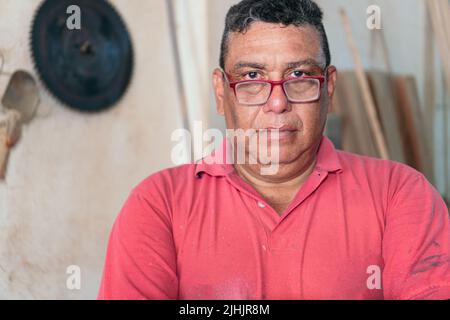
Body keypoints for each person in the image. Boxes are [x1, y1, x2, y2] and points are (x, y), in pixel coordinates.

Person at [98, 0, 450, 299]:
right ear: (221, 93)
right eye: (252, 78)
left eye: (299, 76)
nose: (277, 102)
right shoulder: (159, 206)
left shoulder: (400, 195)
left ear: (328, 88)